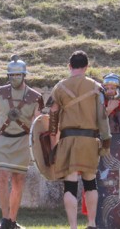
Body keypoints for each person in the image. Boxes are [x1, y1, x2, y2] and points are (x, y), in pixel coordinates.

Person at [48, 51, 112, 229]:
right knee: (90, 182)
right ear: (86, 67)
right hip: (90, 141)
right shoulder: (96, 87)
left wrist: (52, 142)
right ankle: (91, 223)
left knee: (70, 184)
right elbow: (102, 117)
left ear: (69, 66)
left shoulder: (59, 87)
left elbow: (53, 116)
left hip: (68, 140)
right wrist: (106, 140)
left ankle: (73, 227)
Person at [0, 55, 43, 229]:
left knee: (18, 180)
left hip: (23, 141)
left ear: (24, 75)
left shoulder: (35, 97)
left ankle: (12, 220)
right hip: (3, 139)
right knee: (2, 177)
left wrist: (40, 144)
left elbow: (39, 123)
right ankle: (4, 218)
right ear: (8, 76)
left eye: (18, 75)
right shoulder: (0, 92)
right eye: (12, 75)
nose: (15, 78)